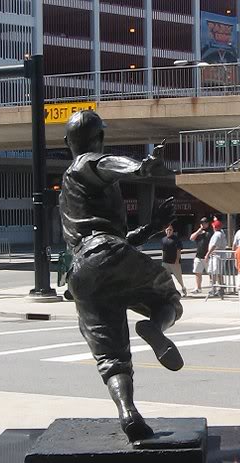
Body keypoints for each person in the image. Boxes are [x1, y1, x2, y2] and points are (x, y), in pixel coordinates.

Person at [59, 110, 183, 444]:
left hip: (83, 273)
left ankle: (128, 412)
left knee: (111, 358)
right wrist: (140, 167)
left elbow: (112, 240)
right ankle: (153, 328)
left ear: (65, 141)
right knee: (168, 298)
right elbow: (105, 164)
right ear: (99, 139)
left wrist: (153, 227)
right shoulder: (85, 163)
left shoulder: (70, 192)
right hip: (106, 255)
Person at [161, 222, 187, 297]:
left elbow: (178, 250)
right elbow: (163, 250)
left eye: (170, 230)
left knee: (178, 277)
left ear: (173, 231)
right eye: (167, 230)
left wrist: (177, 260)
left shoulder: (176, 239)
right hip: (165, 262)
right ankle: (167, 291)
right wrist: (162, 260)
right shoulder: (163, 240)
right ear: (165, 231)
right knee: (165, 277)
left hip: (174, 262)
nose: (169, 231)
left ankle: (183, 288)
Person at [205, 218, 228, 298]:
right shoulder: (220, 233)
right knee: (212, 272)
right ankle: (215, 287)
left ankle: (219, 288)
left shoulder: (218, 234)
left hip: (217, 255)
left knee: (217, 272)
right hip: (215, 255)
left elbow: (214, 245)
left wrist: (208, 254)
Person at [189, 216, 212, 294]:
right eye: (202, 223)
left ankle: (213, 287)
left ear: (208, 223)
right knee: (197, 272)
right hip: (199, 255)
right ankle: (198, 288)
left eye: (205, 223)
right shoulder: (199, 232)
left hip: (207, 256)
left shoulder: (210, 232)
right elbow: (191, 238)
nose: (203, 224)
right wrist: (199, 231)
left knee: (210, 272)